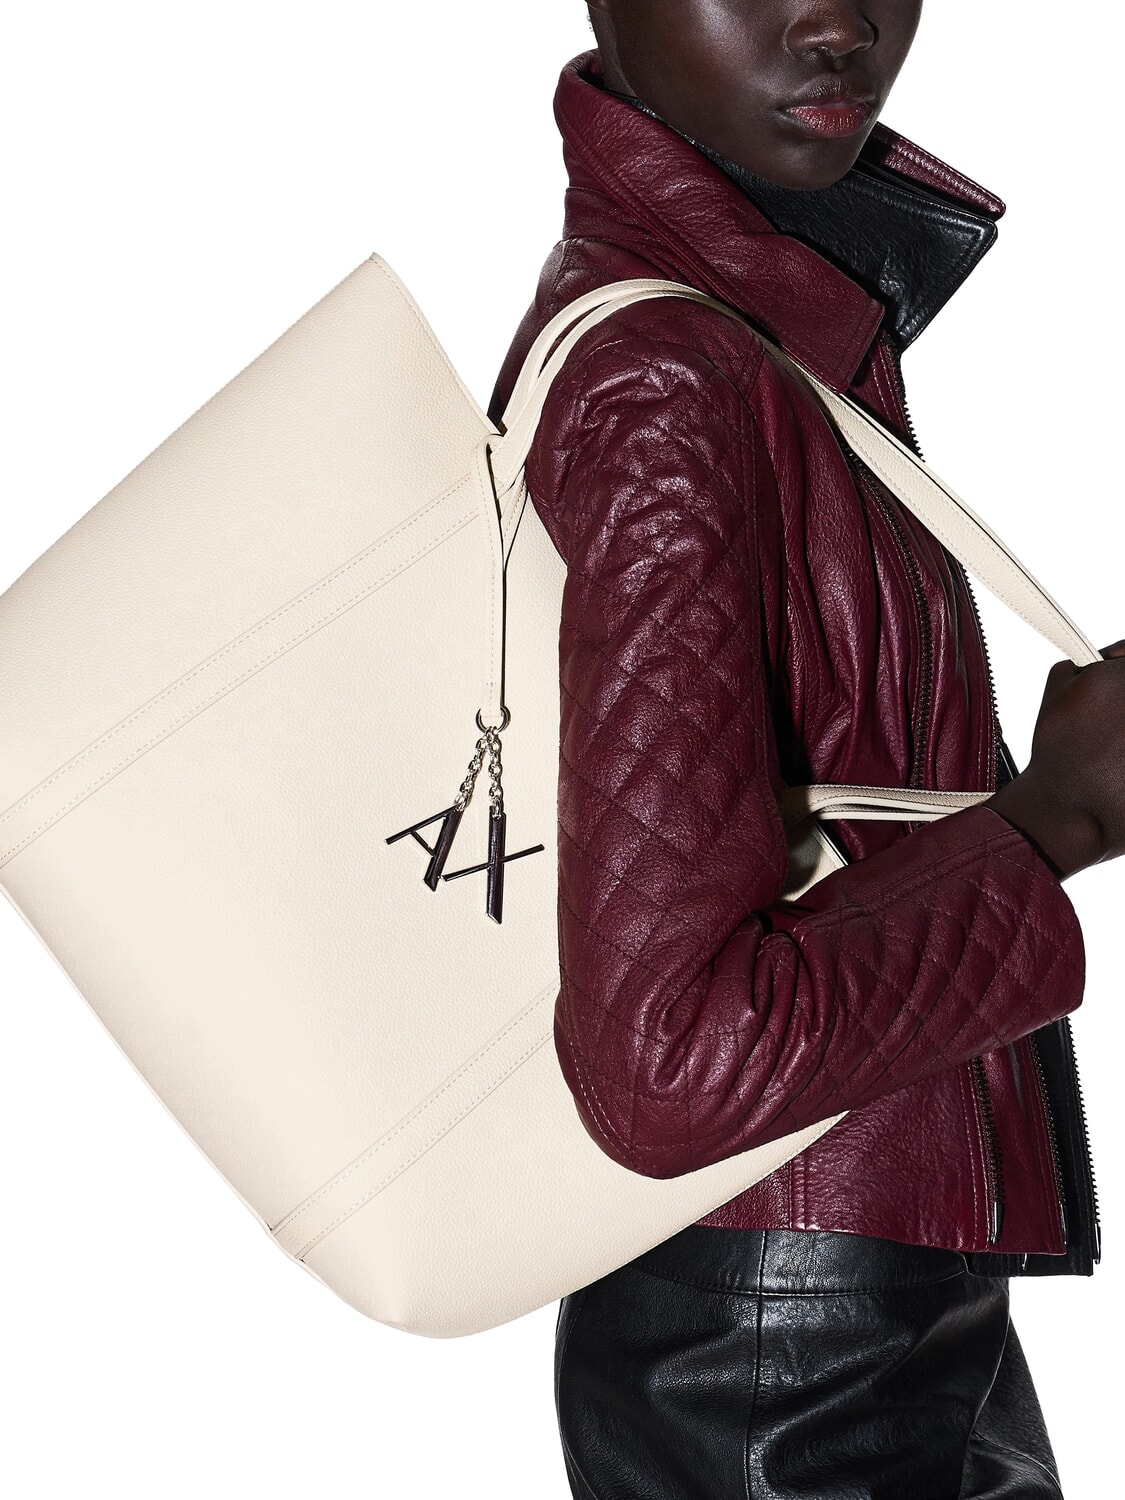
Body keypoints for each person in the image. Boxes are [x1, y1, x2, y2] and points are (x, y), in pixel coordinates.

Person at [487, 4, 1124, 1497]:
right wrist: (1061, 821)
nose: (836, 20)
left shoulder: (757, 333)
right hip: (783, 1342)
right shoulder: (666, 380)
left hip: (838, 1291)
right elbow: (669, 1068)